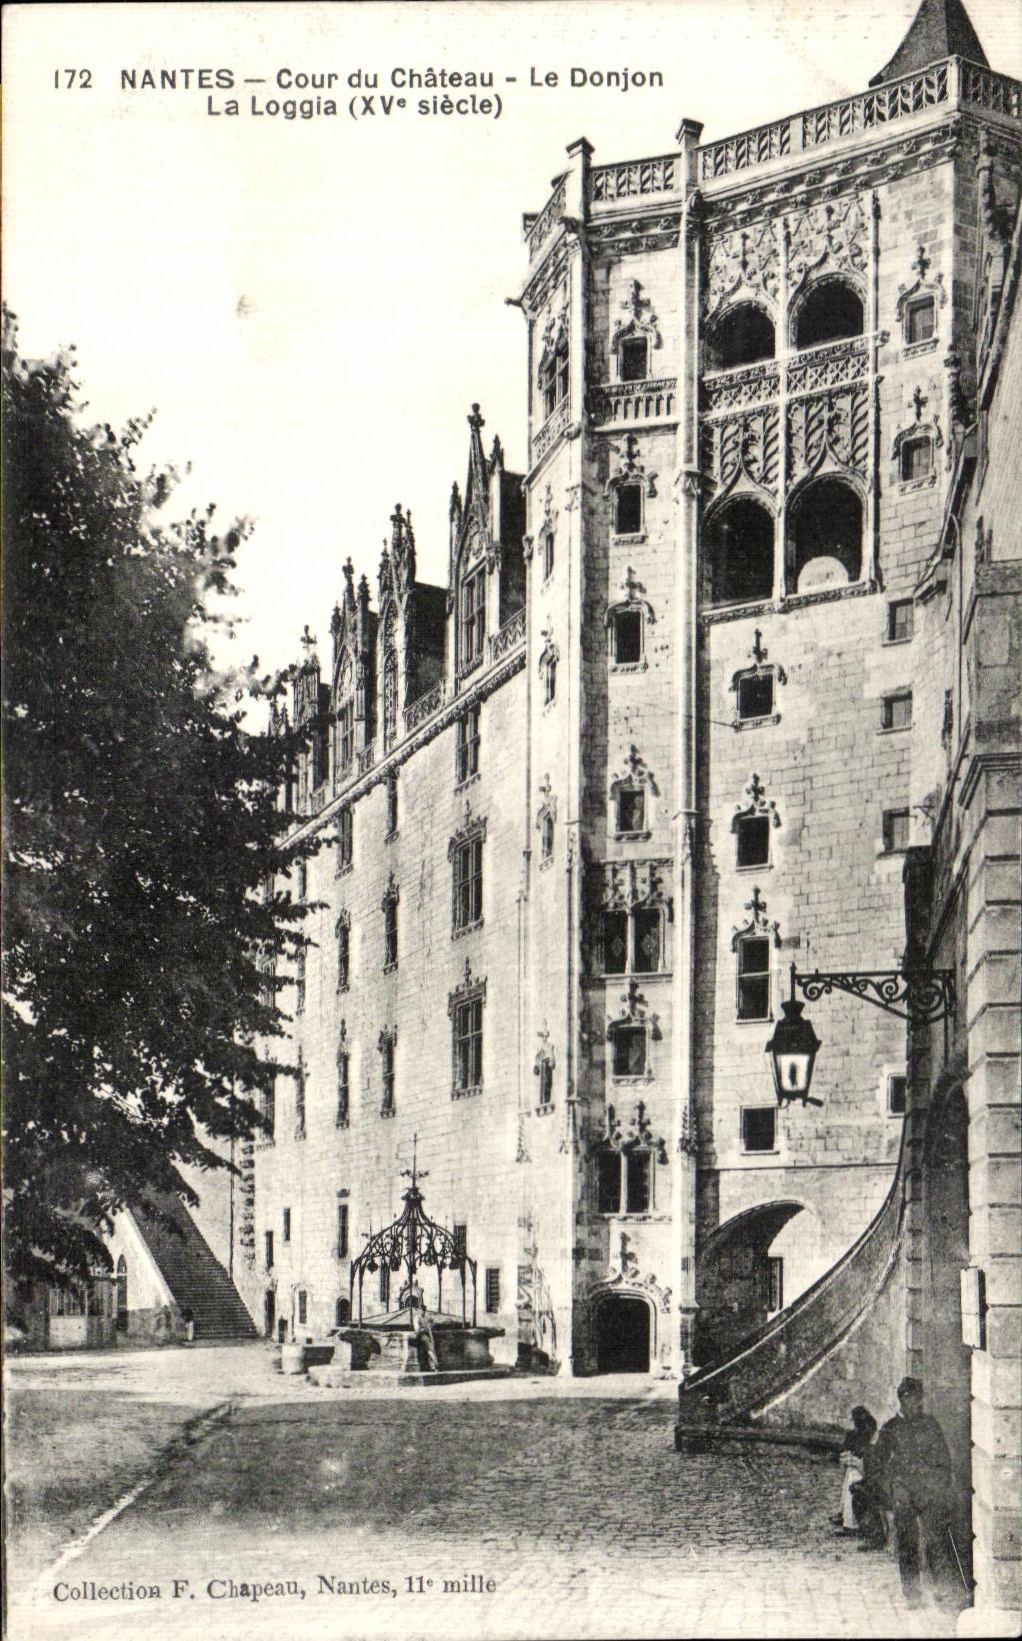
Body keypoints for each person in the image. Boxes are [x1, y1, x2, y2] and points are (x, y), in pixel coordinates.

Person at [872, 1376, 961, 1610]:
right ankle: (912, 1593)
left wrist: (937, 1487)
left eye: (921, 1400)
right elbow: (877, 1466)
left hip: (929, 1494)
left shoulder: (930, 1424)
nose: (919, 1405)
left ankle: (940, 1589)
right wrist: (891, 1491)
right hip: (904, 1496)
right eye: (914, 1400)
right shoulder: (890, 1429)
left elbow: (944, 1459)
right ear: (903, 1399)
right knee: (907, 1543)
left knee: (936, 1540)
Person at [832, 1406, 877, 1532]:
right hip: (868, 1468)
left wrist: (854, 1460)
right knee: (850, 1472)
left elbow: (869, 1459)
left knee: (853, 1476)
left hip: (875, 1473)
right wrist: (850, 1458)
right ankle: (843, 1513)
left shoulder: (871, 1434)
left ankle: (850, 1524)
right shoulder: (862, 1433)